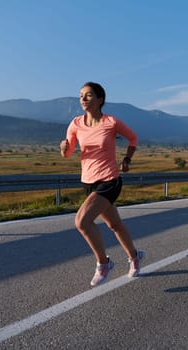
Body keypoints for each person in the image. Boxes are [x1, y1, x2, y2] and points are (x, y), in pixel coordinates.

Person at [60, 82, 144, 287]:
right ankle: (135, 256)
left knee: (82, 222)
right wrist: (64, 148)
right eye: (81, 96)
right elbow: (68, 152)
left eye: (88, 95)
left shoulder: (111, 122)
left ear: (100, 100)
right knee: (114, 224)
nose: (83, 99)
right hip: (88, 182)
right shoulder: (76, 124)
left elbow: (133, 138)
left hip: (110, 180)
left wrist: (127, 160)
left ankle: (103, 263)